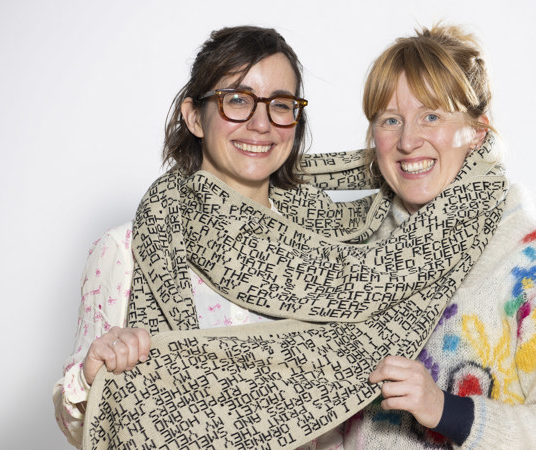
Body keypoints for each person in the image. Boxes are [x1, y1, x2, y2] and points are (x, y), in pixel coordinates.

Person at [52, 25, 342, 449]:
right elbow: (76, 423)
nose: (261, 124)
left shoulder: (329, 252)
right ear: (193, 116)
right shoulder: (125, 251)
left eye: (281, 105)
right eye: (237, 100)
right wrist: (92, 373)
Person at [341, 25, 536, 448]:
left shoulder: (533, 264)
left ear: (477, 131)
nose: (409, 141)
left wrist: (444, 409)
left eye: (432, 116)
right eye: (391, 120)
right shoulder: (355, 261)